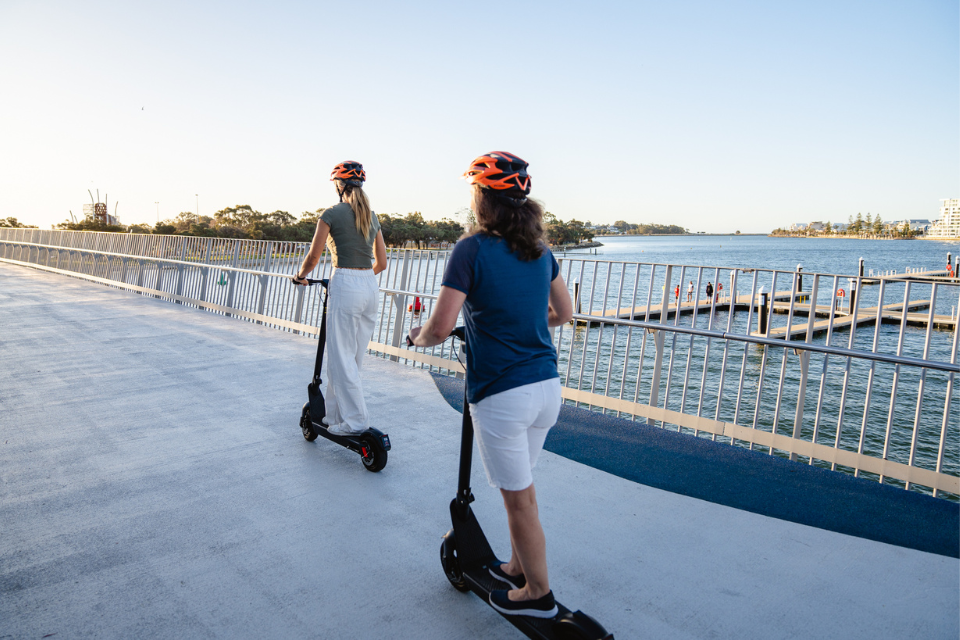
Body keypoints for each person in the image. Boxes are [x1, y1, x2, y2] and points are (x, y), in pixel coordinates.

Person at [408, 151, 572, 619]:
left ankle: (537, 594)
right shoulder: (541, 251)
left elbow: (439, 327)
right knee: (524, 489)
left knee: (518, 500)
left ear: (483, 199)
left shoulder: (471, 249)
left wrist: (418, 338)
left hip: (502, 394)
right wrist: (524, 320)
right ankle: (518, 568)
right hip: (546, 389)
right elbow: (564, 313)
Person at [292, 161, 388, 435]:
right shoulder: (372, 215)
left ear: (339, 185)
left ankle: (356, 421)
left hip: (345, 284)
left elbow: (313, 256)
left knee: (340, 357)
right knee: (352, 358)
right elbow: (381, 263)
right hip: (370, 286)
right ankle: (336, 416)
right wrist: (362, 277)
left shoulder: (330, 214)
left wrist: (300, 276)